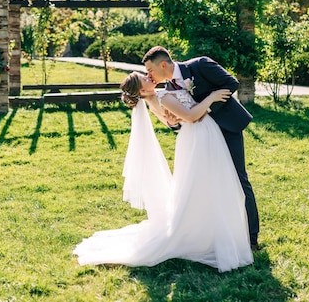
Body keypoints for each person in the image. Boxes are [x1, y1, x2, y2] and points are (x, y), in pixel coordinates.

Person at [73, 71, 253, 272]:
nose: (148, 77)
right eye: (144, 79)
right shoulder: (158, 99)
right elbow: (179, 122)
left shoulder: (157, 95)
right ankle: (202, 231)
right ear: (142, 90)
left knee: (199, 186)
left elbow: (175, 121)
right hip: (195, 137)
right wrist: (206, 102)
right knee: (199, 185)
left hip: (195, 137)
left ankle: (207, 228)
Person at [142, 46, 260, 250]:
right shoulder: (168, 91)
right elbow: (181, 121)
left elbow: (231, 83)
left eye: (150, 70)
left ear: (163, 64)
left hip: (226, 128)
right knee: (210, 183)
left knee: (238, 178)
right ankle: (219, 231)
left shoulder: (200, 65)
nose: (149, 75)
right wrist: (173, 122)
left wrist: (207, 109)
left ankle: (251, 237)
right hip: (202, 139)